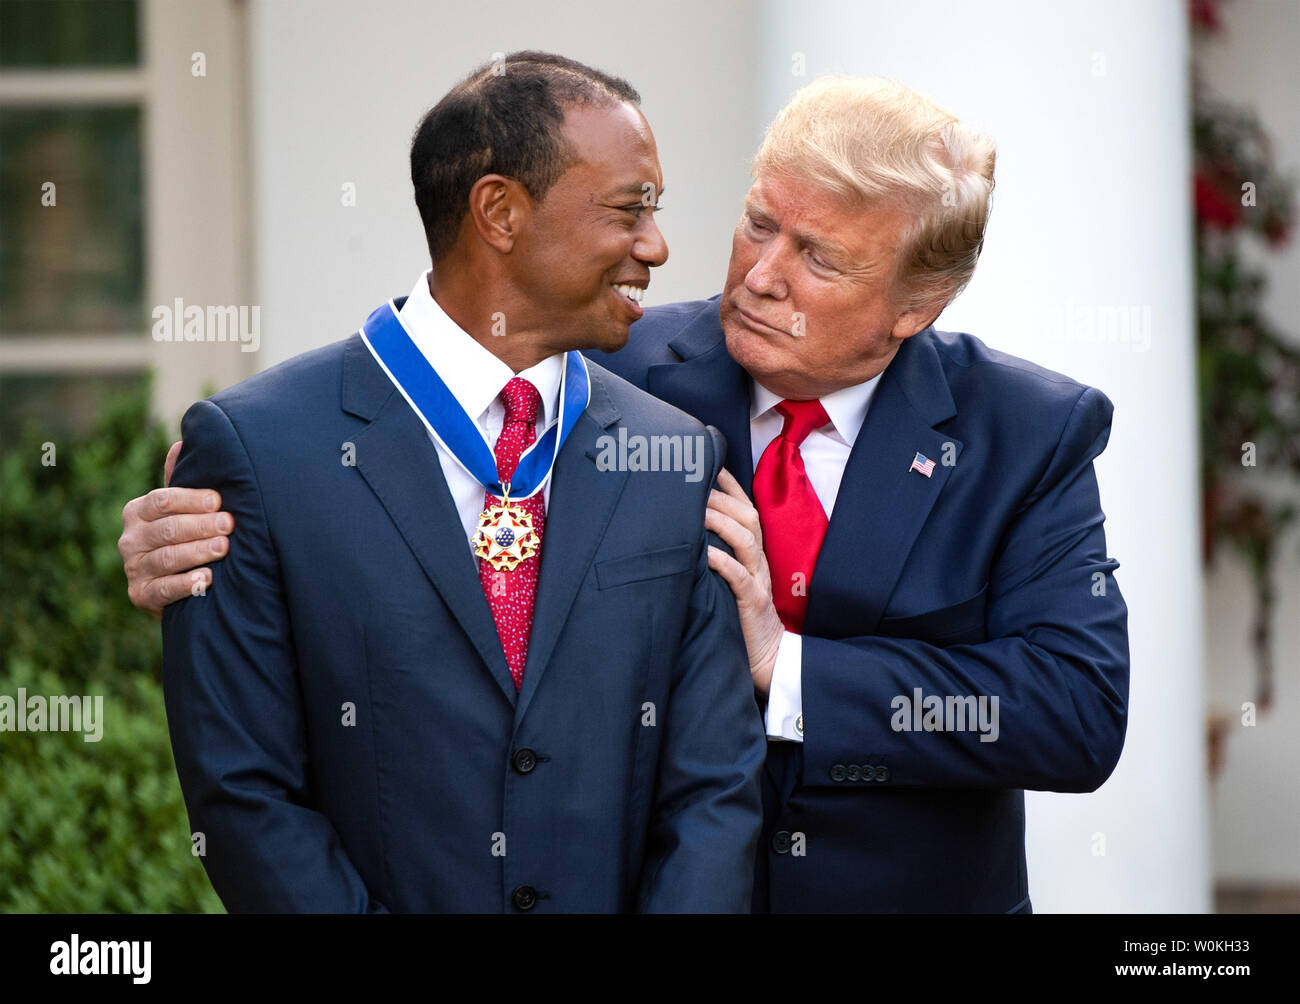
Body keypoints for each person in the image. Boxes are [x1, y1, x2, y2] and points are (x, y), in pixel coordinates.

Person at [120, 72, 1129, 914]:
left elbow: (1074, 711)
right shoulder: (615, 362)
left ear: (919, 301)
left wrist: (790, 667)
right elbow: (422, 376)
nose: (759, 275)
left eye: (816, 257)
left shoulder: (1024, 433)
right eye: (758, 224)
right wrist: (208, 511)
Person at [130, 51, 767, 913]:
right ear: (499, 212)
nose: (655, 246)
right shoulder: (259, 451)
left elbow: (713, 794)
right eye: (631, 210)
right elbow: (245, 795)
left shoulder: (676, 455)